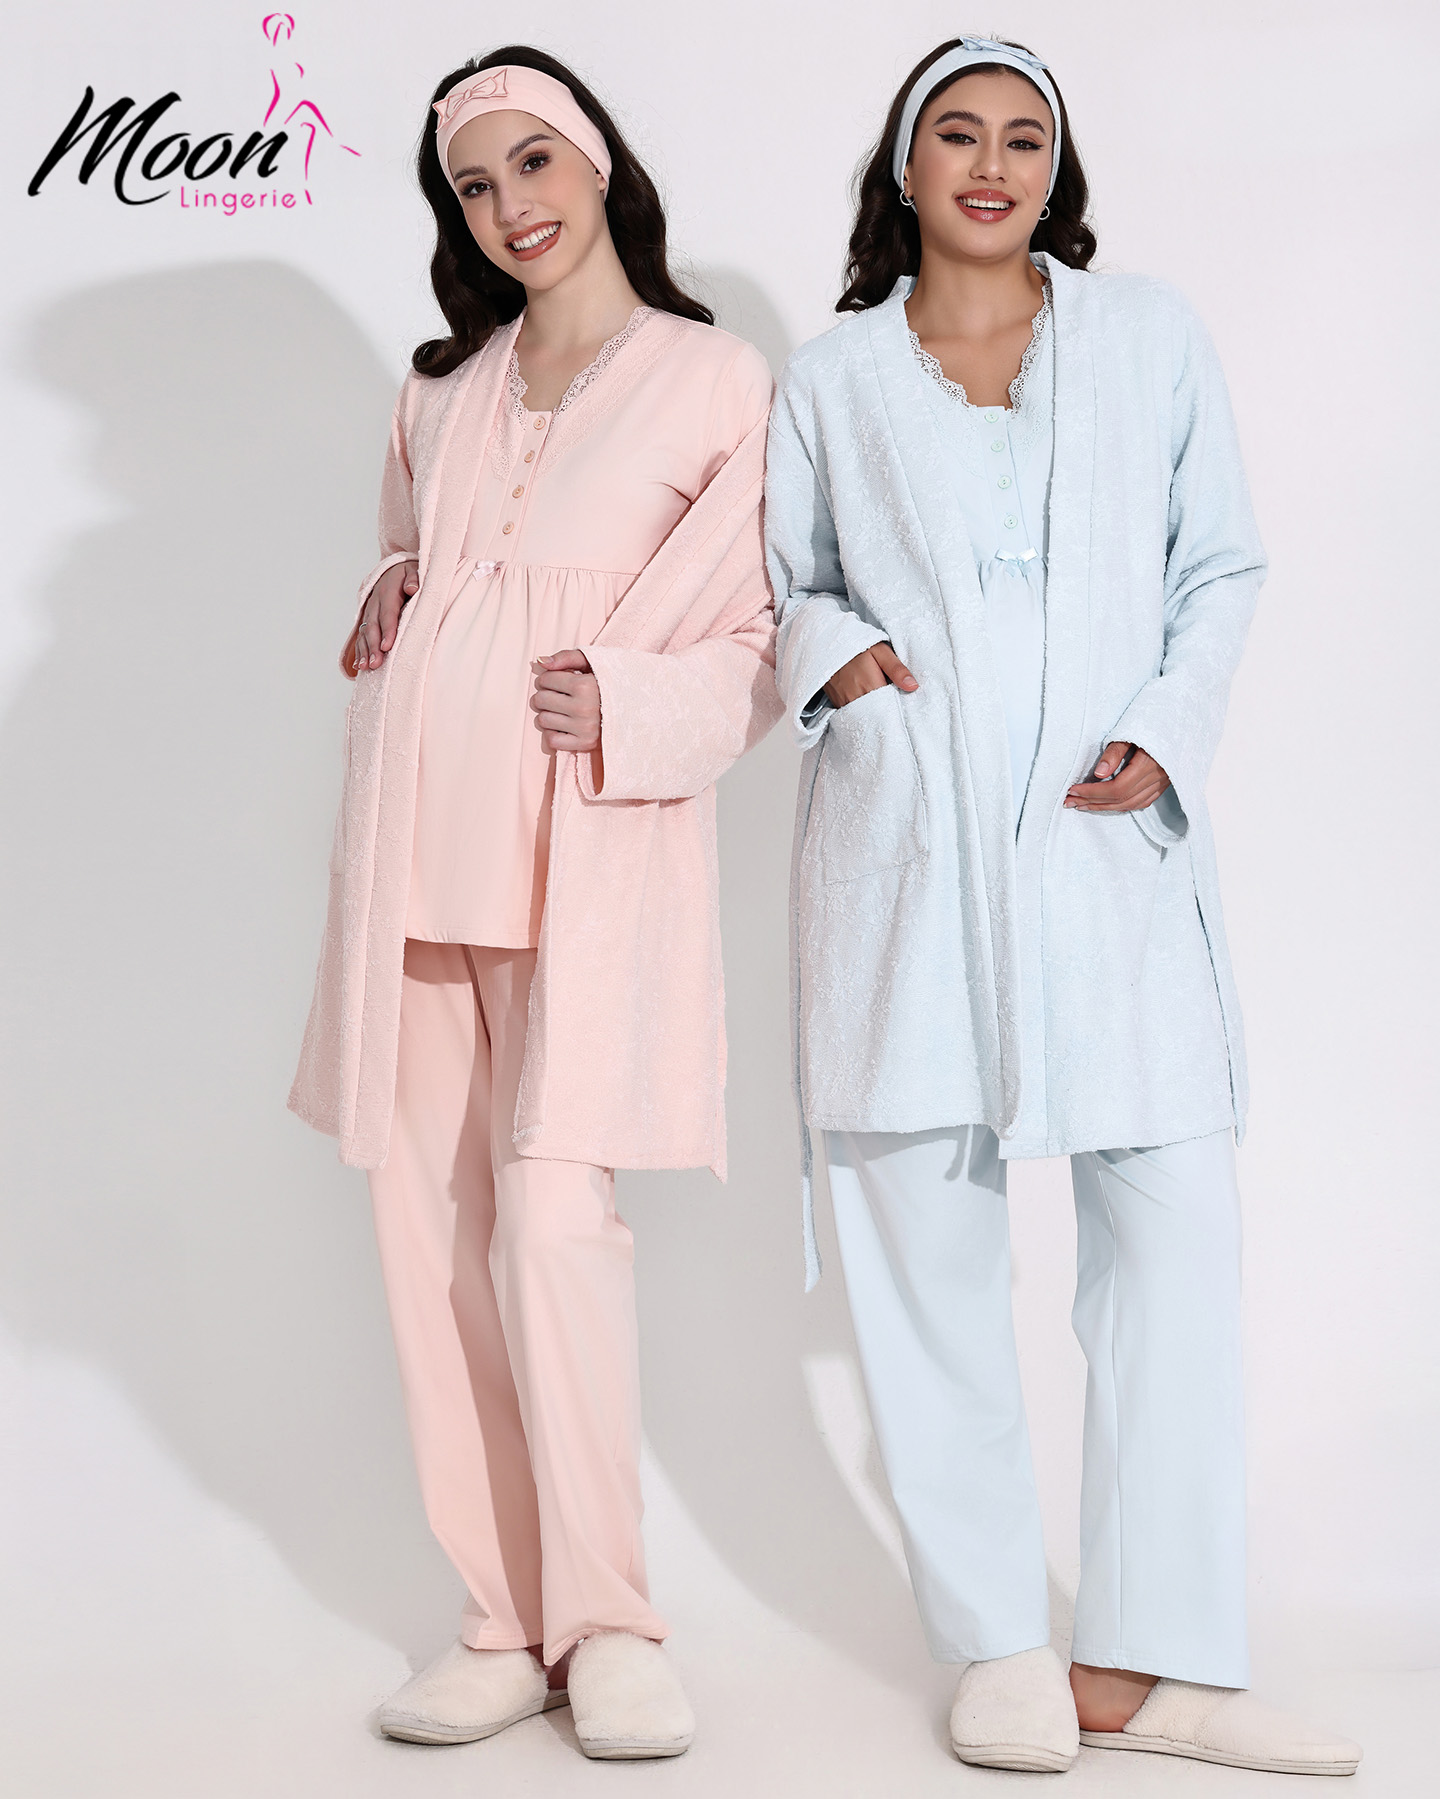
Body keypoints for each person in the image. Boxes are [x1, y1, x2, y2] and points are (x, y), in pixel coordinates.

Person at [764, 35, 1360, 1778]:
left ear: (1057, 168)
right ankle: (997, 1649)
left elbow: (1221, 561)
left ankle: (1152, 1660)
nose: (992, 164)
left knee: (1175, 1239)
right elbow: (783, 582)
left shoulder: (1149, 338)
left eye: (1024, 138)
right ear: (904, 167)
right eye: (957, 134)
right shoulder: (831, 378)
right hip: (909, 862)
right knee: (925, 1257)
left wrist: (1165, 729)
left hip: (1112, 853)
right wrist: (840, 661)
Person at [289, 45, 777, 1761]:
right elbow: (425, 559)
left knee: (556, 1232)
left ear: (598, 162)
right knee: (426, 1235)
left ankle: (611, 1621)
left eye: (534, 163)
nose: (511, 205)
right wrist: (390, 591)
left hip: (580, 862)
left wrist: (636, 703)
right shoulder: (442, 390)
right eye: (476, 184)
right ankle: (504, 1622)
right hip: (420, 862)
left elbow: (753, 641)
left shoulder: (716, 380)